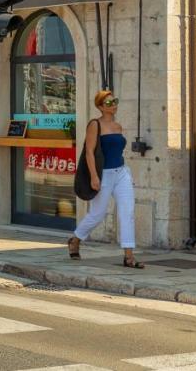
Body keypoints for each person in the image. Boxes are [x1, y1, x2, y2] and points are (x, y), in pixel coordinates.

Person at [69, 90, 143, 269]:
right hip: (104, 174)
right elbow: (89, 151)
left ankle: (129, 256)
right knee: (98, 214)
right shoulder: (95, 125)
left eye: (115, 101)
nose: (114, 105)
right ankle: (75, 239)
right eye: (109, 103)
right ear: (101, 107)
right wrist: (94, 176)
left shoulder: (118, 126)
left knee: (128, 212)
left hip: (122, 172)